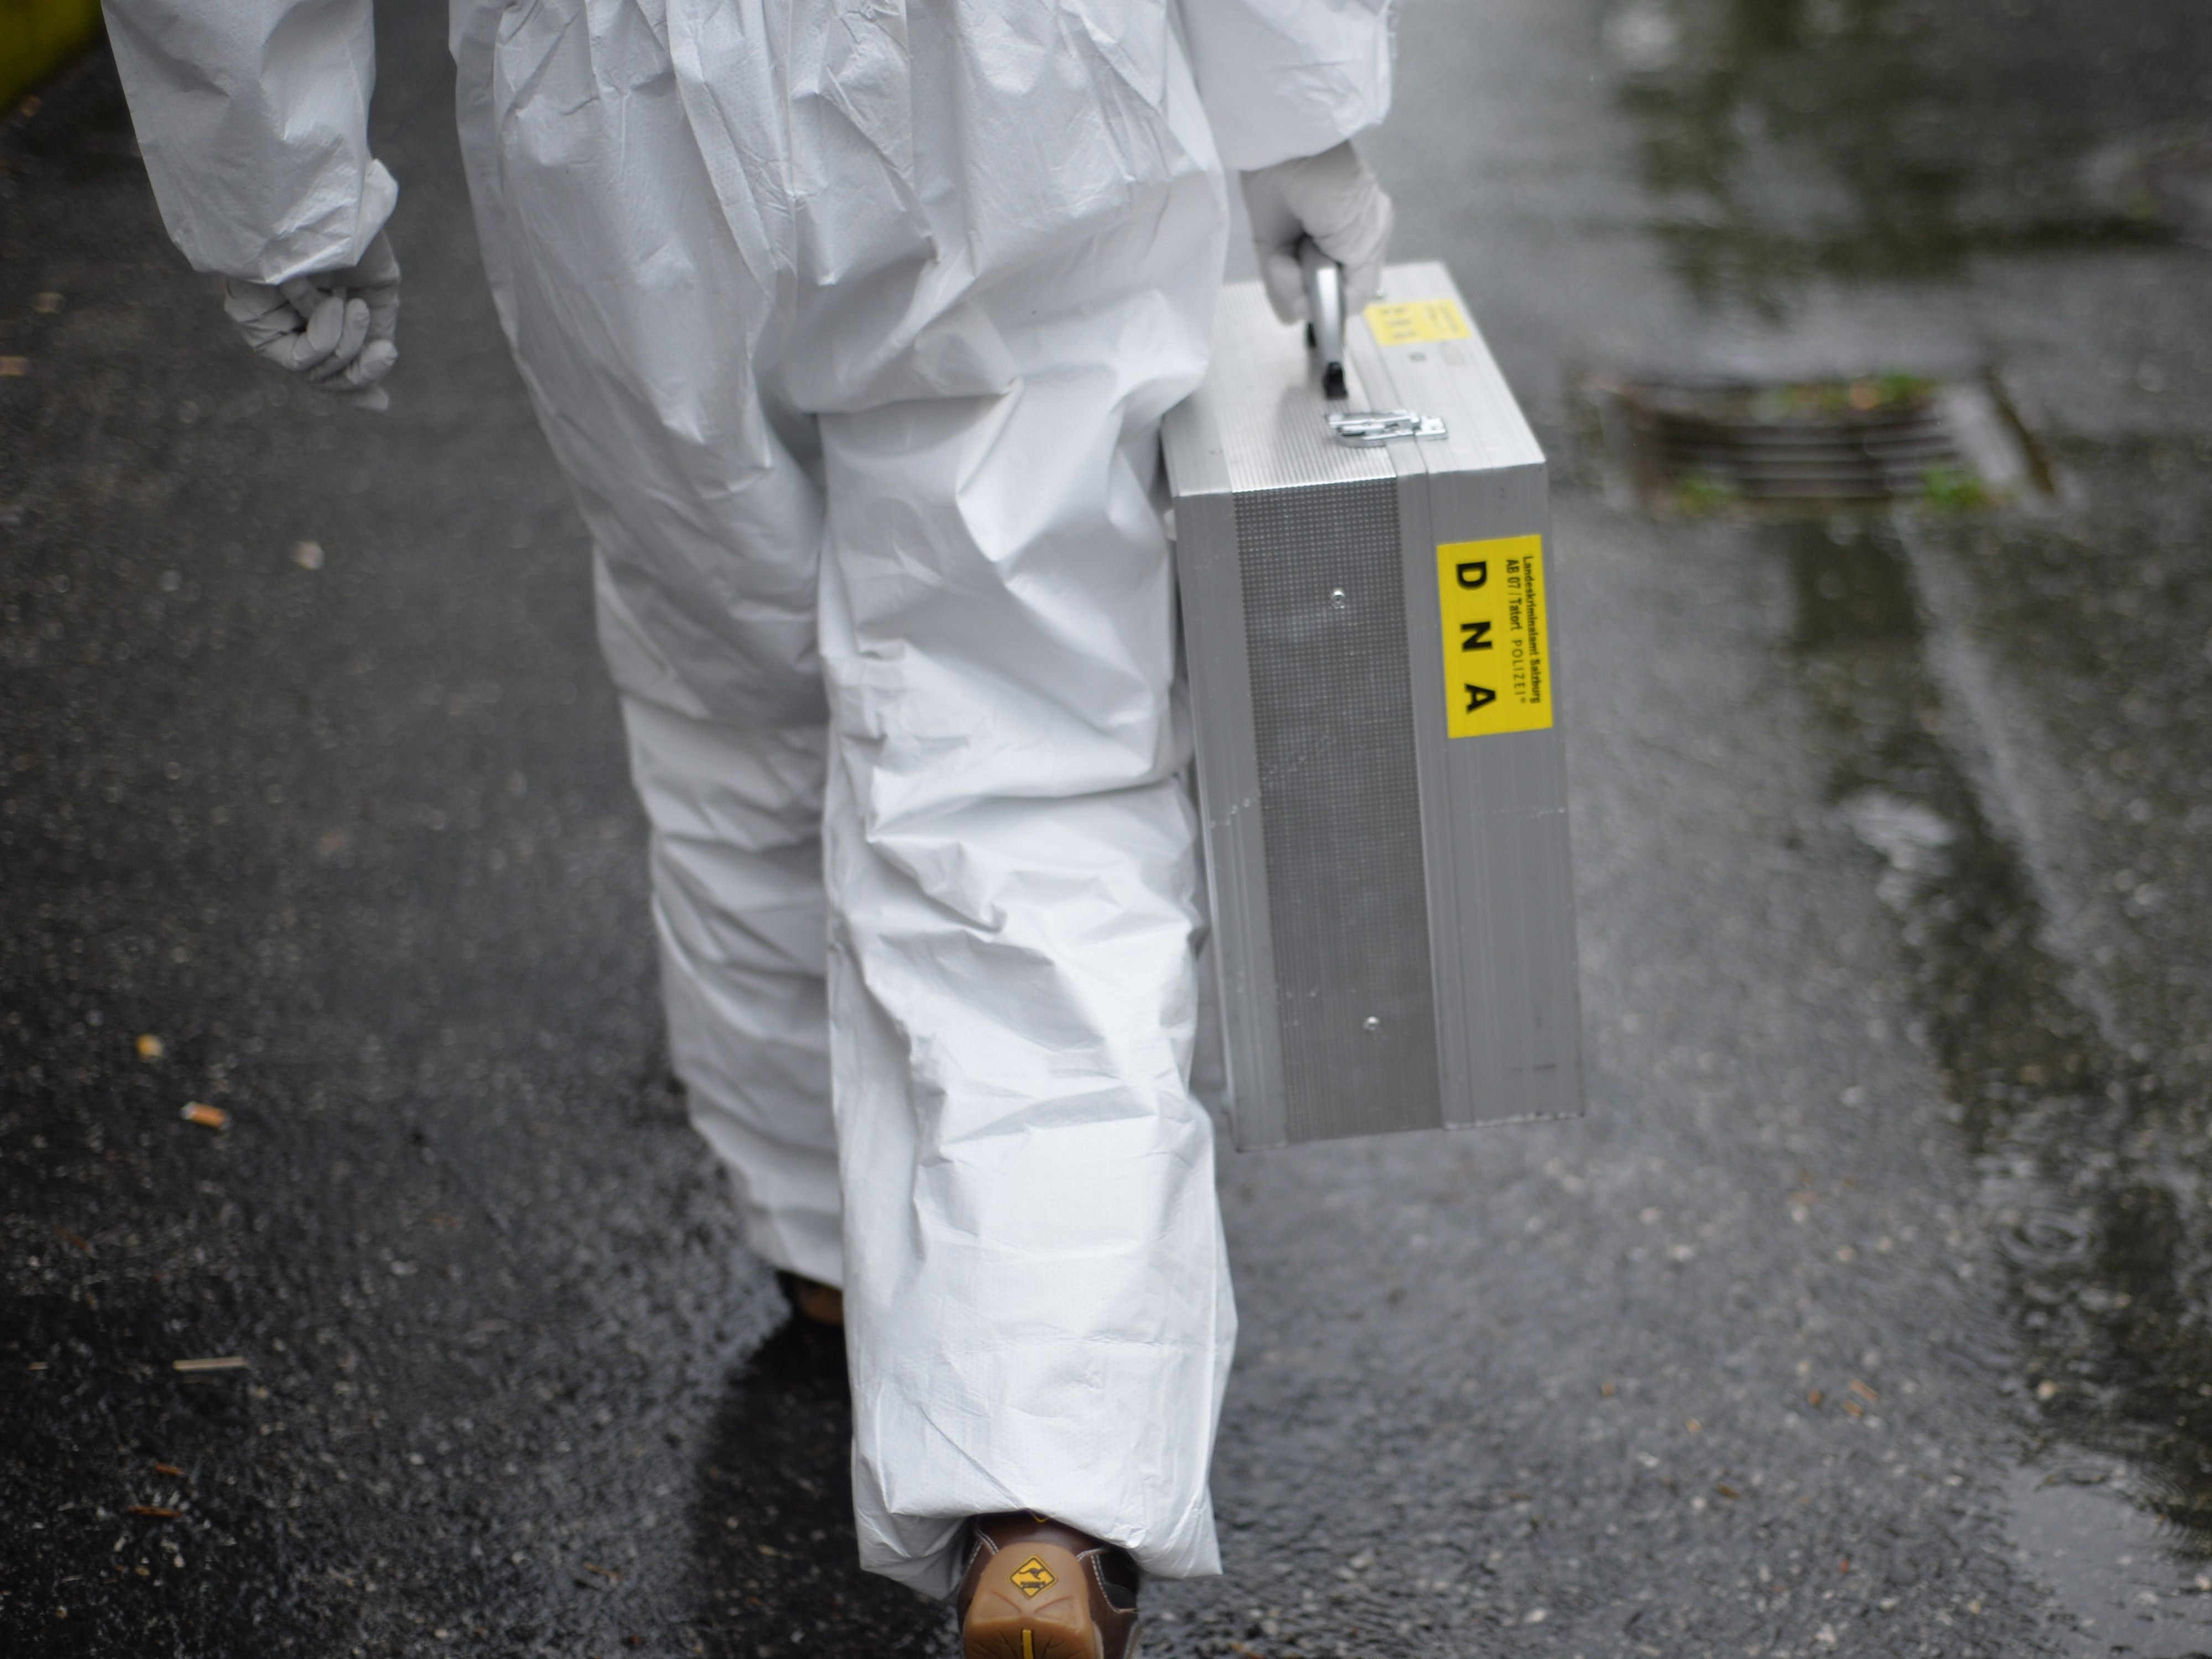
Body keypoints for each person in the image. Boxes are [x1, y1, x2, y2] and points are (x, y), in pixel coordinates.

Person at [101, 2, 1396, 1652]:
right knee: (1028, 751)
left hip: (616, 108)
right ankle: (1045, 1486)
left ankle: (828, 1236)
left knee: (740, 697)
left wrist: (272, 196)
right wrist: (1303, 120)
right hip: (1027, 82)